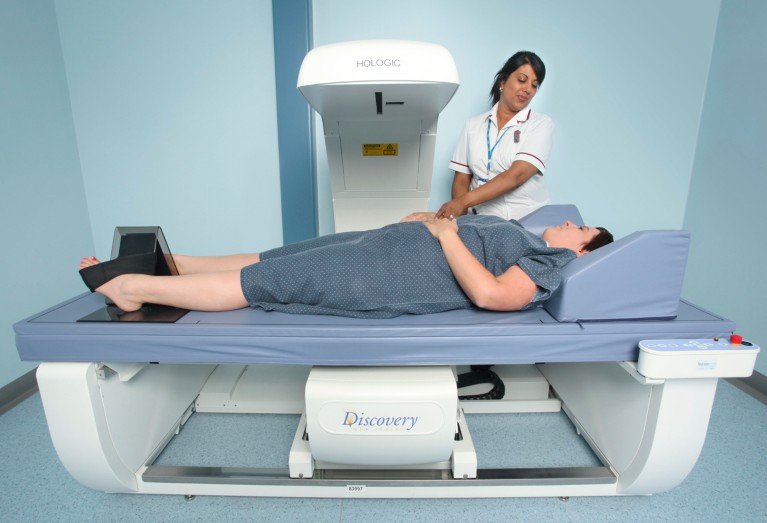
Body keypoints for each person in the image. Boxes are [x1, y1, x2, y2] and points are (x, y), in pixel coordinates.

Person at [79, 215, 613, 319]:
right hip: (387, 245)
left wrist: (447, 232)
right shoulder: (532, 237)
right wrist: (429, 221)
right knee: (275, 257)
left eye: (582, 228)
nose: (571, 224)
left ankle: (131, 285)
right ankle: (165, 264)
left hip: (391, 273)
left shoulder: (553, 259)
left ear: (584, 250)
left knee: (267, 280)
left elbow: (493, 296)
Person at [436, 51, 554, 221]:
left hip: (526, 223)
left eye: (534, 85)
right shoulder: (473, 126)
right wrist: (461, 220)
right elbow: (461, 180)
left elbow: (517, 175)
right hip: (483, 223)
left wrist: (464, 202)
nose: (527, 89)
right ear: (503, 81)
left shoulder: (541, 124)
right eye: (522, 80)